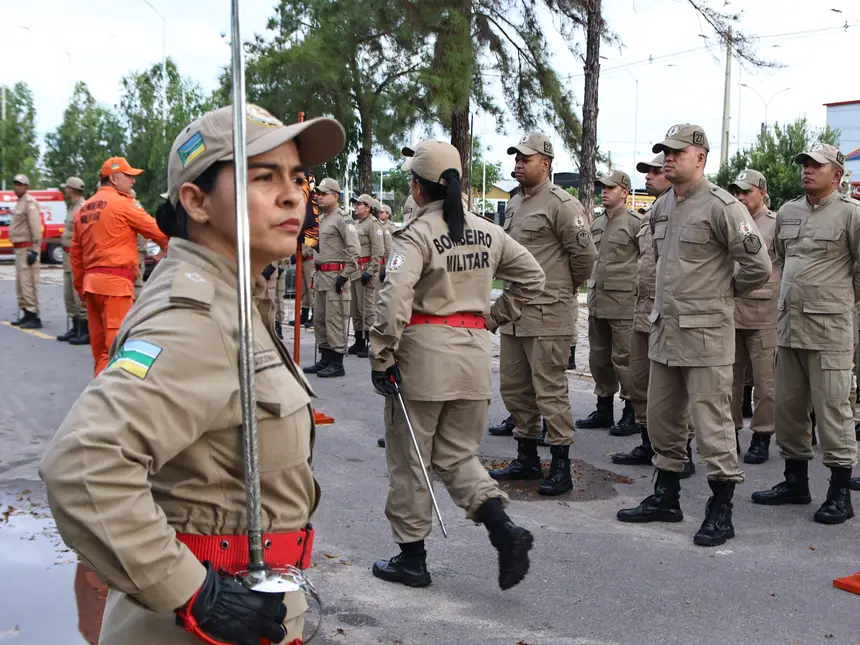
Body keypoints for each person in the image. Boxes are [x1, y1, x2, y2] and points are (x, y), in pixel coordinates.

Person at [40, 103, 346, 645]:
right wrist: (192, 591)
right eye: (262, 176)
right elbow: (84, 464)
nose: (292, 194)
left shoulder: (230, 295)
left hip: (245, 600)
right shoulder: (196, 315)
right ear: (197, 201)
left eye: (297, 177)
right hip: (198, 624)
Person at [369, 139, 545, 589]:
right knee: (456, 455)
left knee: (411, 460)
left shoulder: (415, 236)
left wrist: (381, 354)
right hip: (471, 357)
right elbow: (533, 278)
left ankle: (412, 559)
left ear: (417, 187)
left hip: (424, 358)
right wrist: (493, 317)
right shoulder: (489, 231)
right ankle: (503, 530)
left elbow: (393, 302)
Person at [616, 124, 771, 547]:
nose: (668, 158)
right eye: (665, 151)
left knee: (713, 425)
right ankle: (666, 497)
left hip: (706, 336)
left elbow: (758, 266)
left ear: (700, 158)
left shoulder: (723, 206)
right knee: (663, 420)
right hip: (666, 331)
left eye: (677, 152)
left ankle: (721, 510)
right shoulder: (663, 205)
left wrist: (723, 293)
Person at [751, 143, 860, 525]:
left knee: (832, 410)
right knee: (789, 410)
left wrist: (843, 310)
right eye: (804, 164)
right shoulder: (790, 212)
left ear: (837, 174)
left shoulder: (852, 216)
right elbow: (780, 259)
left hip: (830, 331)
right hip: (789, 328)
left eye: (817, 165)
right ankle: (795, 482)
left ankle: (839, 491)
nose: (807, 170)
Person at [488, 132, 597, 496]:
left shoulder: (562, 205)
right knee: (515, 389)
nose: (518, 164)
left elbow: (585, 259)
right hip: (515, 313)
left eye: (525, 158)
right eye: (516, 158)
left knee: (548, 390)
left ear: (546, 163)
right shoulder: (517, 202)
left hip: (549, 314)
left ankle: (561, 465)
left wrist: (561, 290)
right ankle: (527, 456)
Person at [611, 152, 695, 475]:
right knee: (640, 381)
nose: (648, 176)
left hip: (671, 315)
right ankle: (649, 442)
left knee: (675, 391)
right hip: (643, 310)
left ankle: (681, 450)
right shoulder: (650, 215)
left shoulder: (685, 212)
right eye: (645, 171)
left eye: (655, 171)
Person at [71, 157, 170, 376]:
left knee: (99, 351)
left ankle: (98, 392)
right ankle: (107, 400)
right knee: (116, 349)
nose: (133, 181)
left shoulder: (84, 209)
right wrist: (171, 247)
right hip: (116, 287)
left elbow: (76, 256)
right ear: (114, 178)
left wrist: (80, 289)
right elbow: (158, 231)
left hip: (91, 287)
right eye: (129, 176)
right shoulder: (123, 204)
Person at [575, 170, 641, 435]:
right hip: (598, 300)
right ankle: (604, 409)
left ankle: (632, 411)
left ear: (624, 192)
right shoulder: (598, 224)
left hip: (624, 303)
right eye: (602, 187)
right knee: (599, 358)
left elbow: (649, 258)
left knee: (625, 358)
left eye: (610, 187)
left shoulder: (636, 222)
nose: (604, 191)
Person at [727, 169, 779, 464]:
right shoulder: (732, 221)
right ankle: (730, 432)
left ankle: (761, 435)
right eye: (737, 191)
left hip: (764, 315)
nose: (740, 197)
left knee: (765, 383)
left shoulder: (775, 224)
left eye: (746, 191)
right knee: (729, 382)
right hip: (732, 312)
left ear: (762, 191)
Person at [303, 178, 360, 378]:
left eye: (324, 193)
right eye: (318, 193)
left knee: (335, 320)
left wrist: (344, 277)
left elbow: (355, 252)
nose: (319, 197)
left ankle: (337, 363)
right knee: (320, 319)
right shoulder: (322, 219)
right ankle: (325, 359)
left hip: (336, 277)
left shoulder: (343, 219)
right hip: (320, 276)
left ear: (335, 196)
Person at [347, 194, 385, 358]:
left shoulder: (373, 224)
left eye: (359, 204)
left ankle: (370, 342)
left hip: (366, 270)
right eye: (355, 204)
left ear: (368, 207)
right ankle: (358, 341)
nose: (356, 206)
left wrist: (371, 270)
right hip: (355, 271)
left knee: (367, 309)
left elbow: (378, 250)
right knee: (355, 308)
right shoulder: (356, 224)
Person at [8, 174, 42, 329]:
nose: (17, 187)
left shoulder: (30, 203)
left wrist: (34, 250)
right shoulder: (19, 203)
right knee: (21, 284)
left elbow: (36, 228)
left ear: (27, 187)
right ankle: (26, 313)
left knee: (28, 284)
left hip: (27, 248)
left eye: (20, 185)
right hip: (19, 249)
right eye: (15, 184)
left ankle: (33, 315)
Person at [57, 177, 89, 343]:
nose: (65, 191)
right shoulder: (72, 207)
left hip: (77, 256)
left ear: (71, 189)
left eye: (66, 188)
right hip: (67, 255)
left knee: (78, 293)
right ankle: (75, 325)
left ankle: (84, 328)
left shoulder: (83, 208)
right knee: (69, 293)